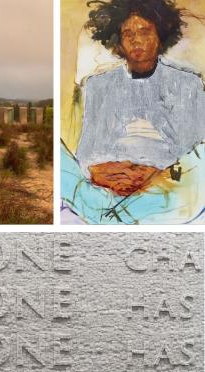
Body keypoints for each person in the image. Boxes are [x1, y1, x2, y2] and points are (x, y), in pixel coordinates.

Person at [61, 0, 204, 224]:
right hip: (106, 188)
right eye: (127, 33)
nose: (136, 39)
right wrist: (100, 172)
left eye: (145, 31)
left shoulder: (187, 85)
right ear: (117, 41)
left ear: (161, 36)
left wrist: (153, 175)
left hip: (166, 188)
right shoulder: (98, 86)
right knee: (60, 161)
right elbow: (87, 152)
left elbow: (192, 155)